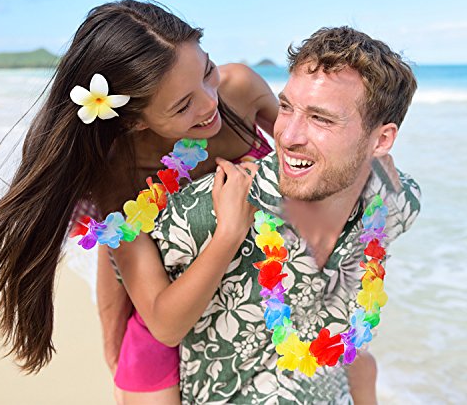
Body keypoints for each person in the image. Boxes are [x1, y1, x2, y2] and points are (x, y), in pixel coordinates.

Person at [0, 0, 278, 403]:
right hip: (168, 316)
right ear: (135, 120)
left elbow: (307, 157)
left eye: (207, 70)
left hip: (265, 301)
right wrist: (229, 232)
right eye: (182, 105)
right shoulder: (120, 170)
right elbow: (161, 319)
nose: (210, 102)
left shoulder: (241, 90)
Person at [115, 26, 421, 404]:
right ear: (137, 120)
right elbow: (143, 304)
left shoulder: (395, 198)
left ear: (383, 140)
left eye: (320, 118)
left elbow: (313, 157)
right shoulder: (179, 215)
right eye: (287, 107)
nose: (288, 133)